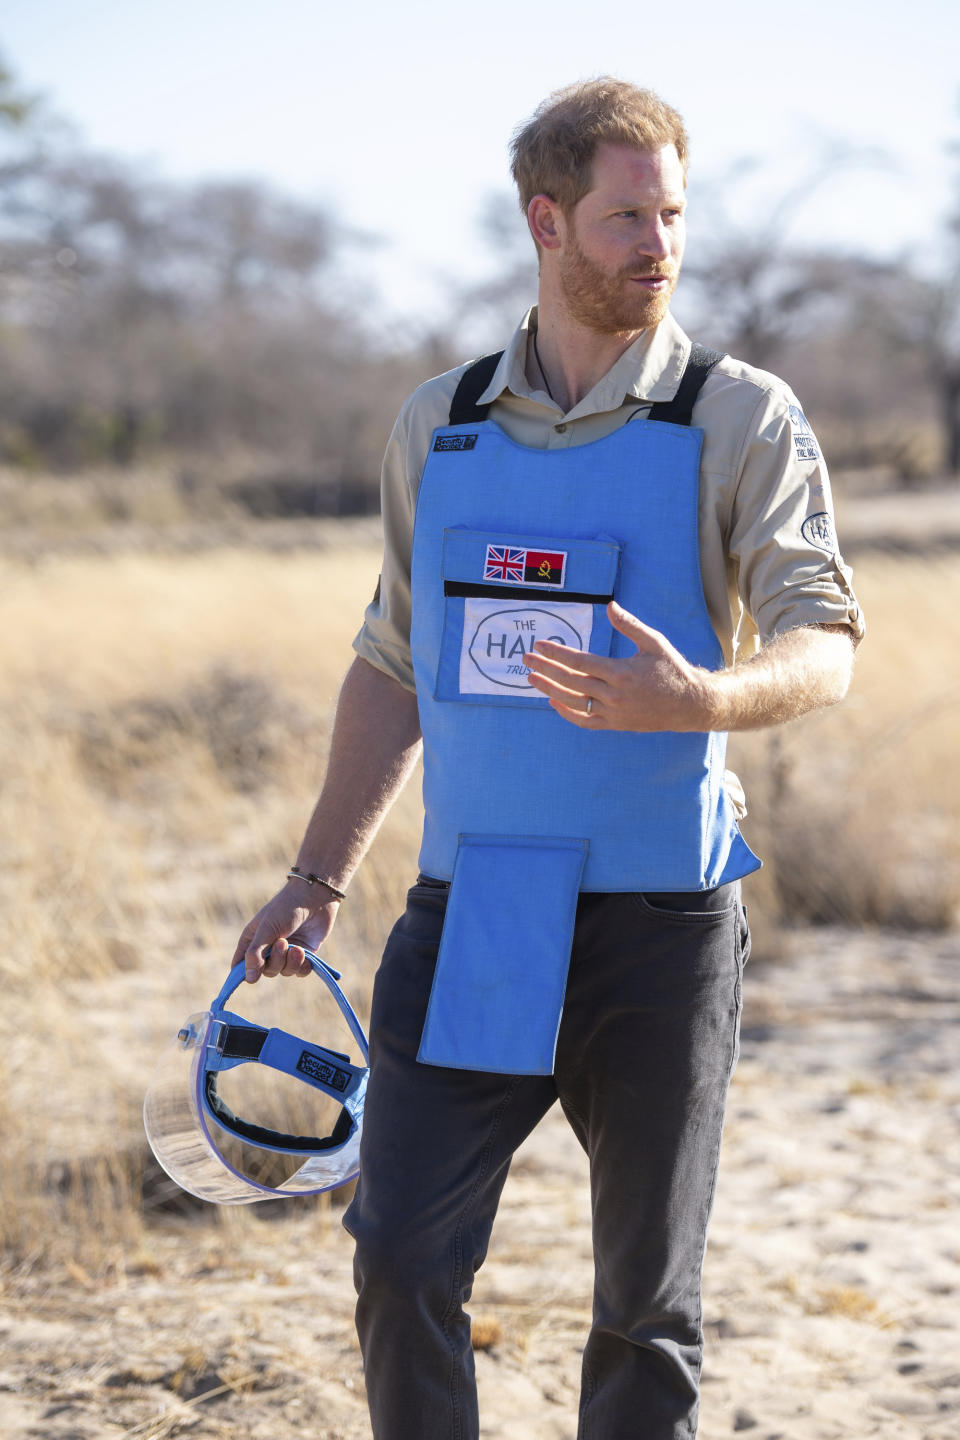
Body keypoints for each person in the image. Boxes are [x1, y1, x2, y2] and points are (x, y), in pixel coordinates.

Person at [234, 77, 863, 1440]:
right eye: (627, 215)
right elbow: (393, 663)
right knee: (399, 1257)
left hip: (659, 928)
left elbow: (828, 644)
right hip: (475, 920)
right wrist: (315, 875)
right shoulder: (439, 425)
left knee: (645, 1313)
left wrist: (702, 693)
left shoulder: (737, 415)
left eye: (674, 214)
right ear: (547, 220)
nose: (660, 243)